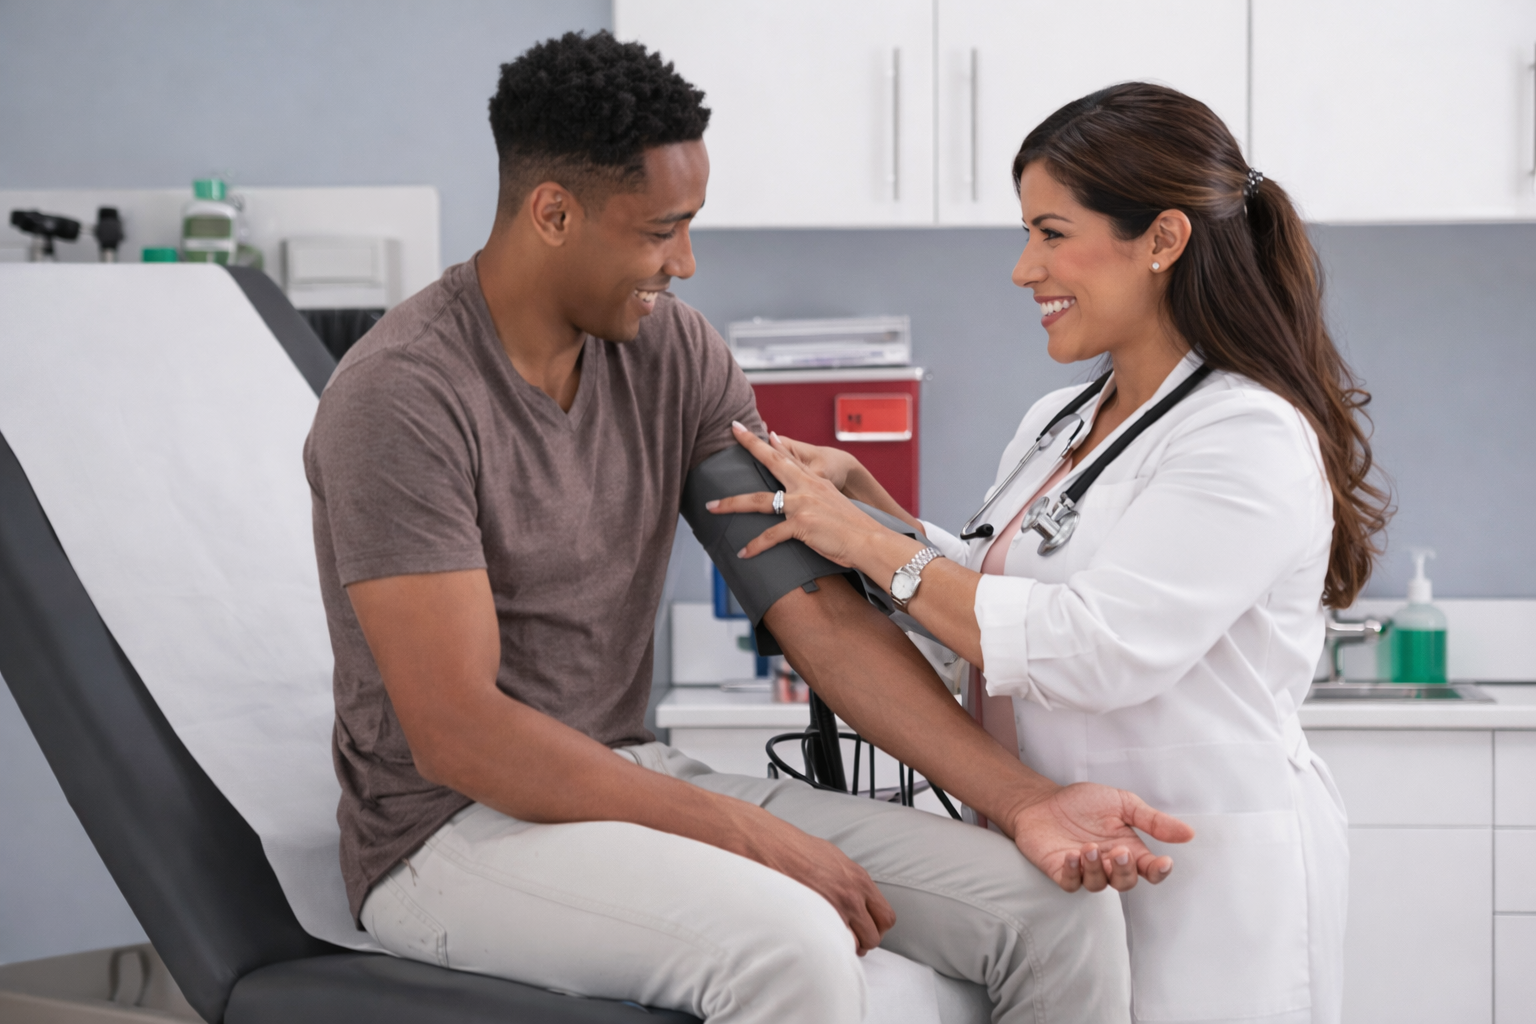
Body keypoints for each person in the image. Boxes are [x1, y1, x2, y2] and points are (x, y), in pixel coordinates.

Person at [303, 33, 1193, 1024]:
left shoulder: (675, 355)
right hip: (448, 834)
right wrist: (738, 830)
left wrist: (1025, 802)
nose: (685, 263)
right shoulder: (403, 397)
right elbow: (458, 734)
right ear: (553, 213)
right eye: (662, 231)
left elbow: (816, 610)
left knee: (1054, 911)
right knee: (793, 948)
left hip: (625, 774)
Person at [709, 82, 1390, 1024]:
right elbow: (990, 600)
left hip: (1196, 872)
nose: (1025, 269)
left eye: (1052, 233)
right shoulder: (1059, 421)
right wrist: (875, 512)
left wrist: (865, 541)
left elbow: (1094, 648)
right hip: (1057, 863)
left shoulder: (1245, 433)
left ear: (1162, 240)